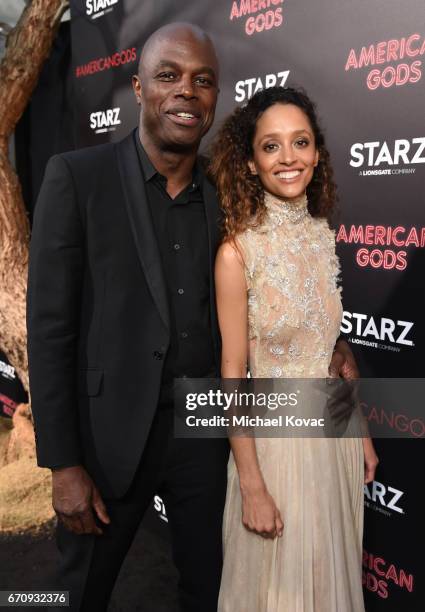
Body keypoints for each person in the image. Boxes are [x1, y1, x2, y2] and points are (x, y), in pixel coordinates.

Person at [27, 21, 362, 611]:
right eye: (168, 76)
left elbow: (282, 278)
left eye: (202, 80)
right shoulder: (78, 179)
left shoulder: (228, 189)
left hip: (207, 441)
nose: (186, 90)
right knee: (78, 592)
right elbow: (50, 330)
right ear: (137, 87)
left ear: (214, 100)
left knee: (210, 591)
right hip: (109, 440)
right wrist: (62, 464)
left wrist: (331, 347)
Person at [211, 87, 378, 611]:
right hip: (276, 451)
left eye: (300, 142)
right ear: (251, 162)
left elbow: (329, 350)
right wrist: (253, 485)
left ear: (317, 153)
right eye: (271, 146)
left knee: (330, 586)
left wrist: (364, 435)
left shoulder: (323, 235)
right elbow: (234, 373)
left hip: (336, 441)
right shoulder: (238, 253)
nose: (288, 158)